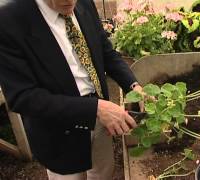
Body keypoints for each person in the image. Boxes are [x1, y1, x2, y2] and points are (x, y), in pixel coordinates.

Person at [0, 0, 143, 179]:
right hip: (59, 131)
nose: (71, 1)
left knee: (103, 173)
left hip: (102, 119)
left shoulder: (84, 3)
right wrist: (94, 109)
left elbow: (106, 51)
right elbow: (23, 97)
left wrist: (133, 85)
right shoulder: (9, 20)